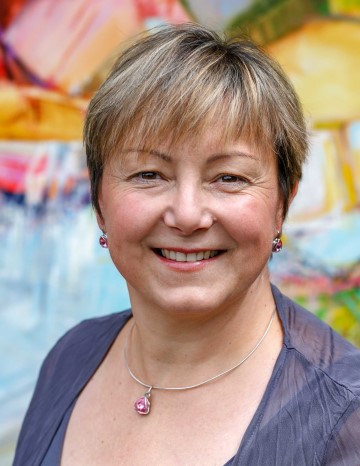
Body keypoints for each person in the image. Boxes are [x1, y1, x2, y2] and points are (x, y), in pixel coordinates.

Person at [13, 23, 360, 466]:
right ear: (100, 200)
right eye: (149, 175)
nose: (188, 215)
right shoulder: (70, 357)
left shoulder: (345, 416)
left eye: (229, 178)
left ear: (282, 204)